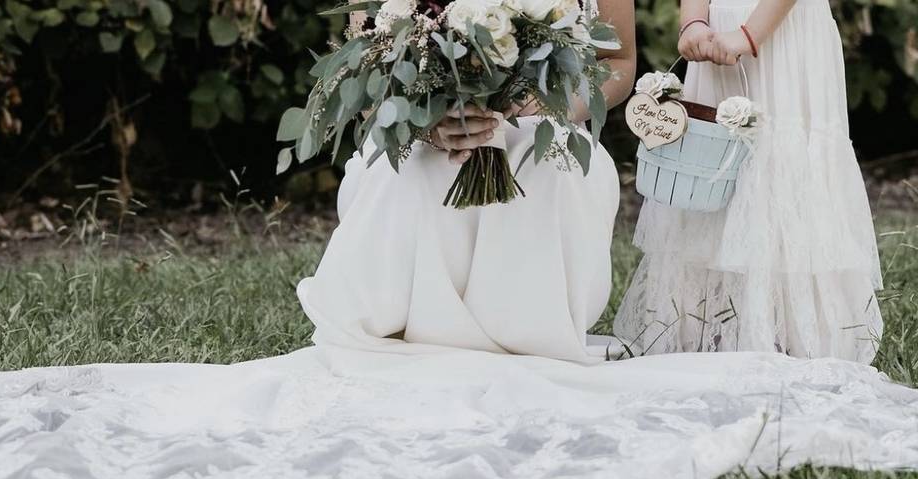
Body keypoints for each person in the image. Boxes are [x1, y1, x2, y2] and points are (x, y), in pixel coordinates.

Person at [296, 0, 637, 363]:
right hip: (423, 127)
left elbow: (618, 61)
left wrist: (545, 103)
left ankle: (533, 328)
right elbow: (365, 79)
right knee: (409, 171)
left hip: (544, 124)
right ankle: (400, 318)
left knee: (547, 166)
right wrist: (428, 123)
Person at [614, 0, 883, 363]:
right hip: (717, 28)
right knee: (713, 164)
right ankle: (705, 327)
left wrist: (749, 34)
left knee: (781, 160)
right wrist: (693, 22)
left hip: (781, 30)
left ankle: (786, 335)